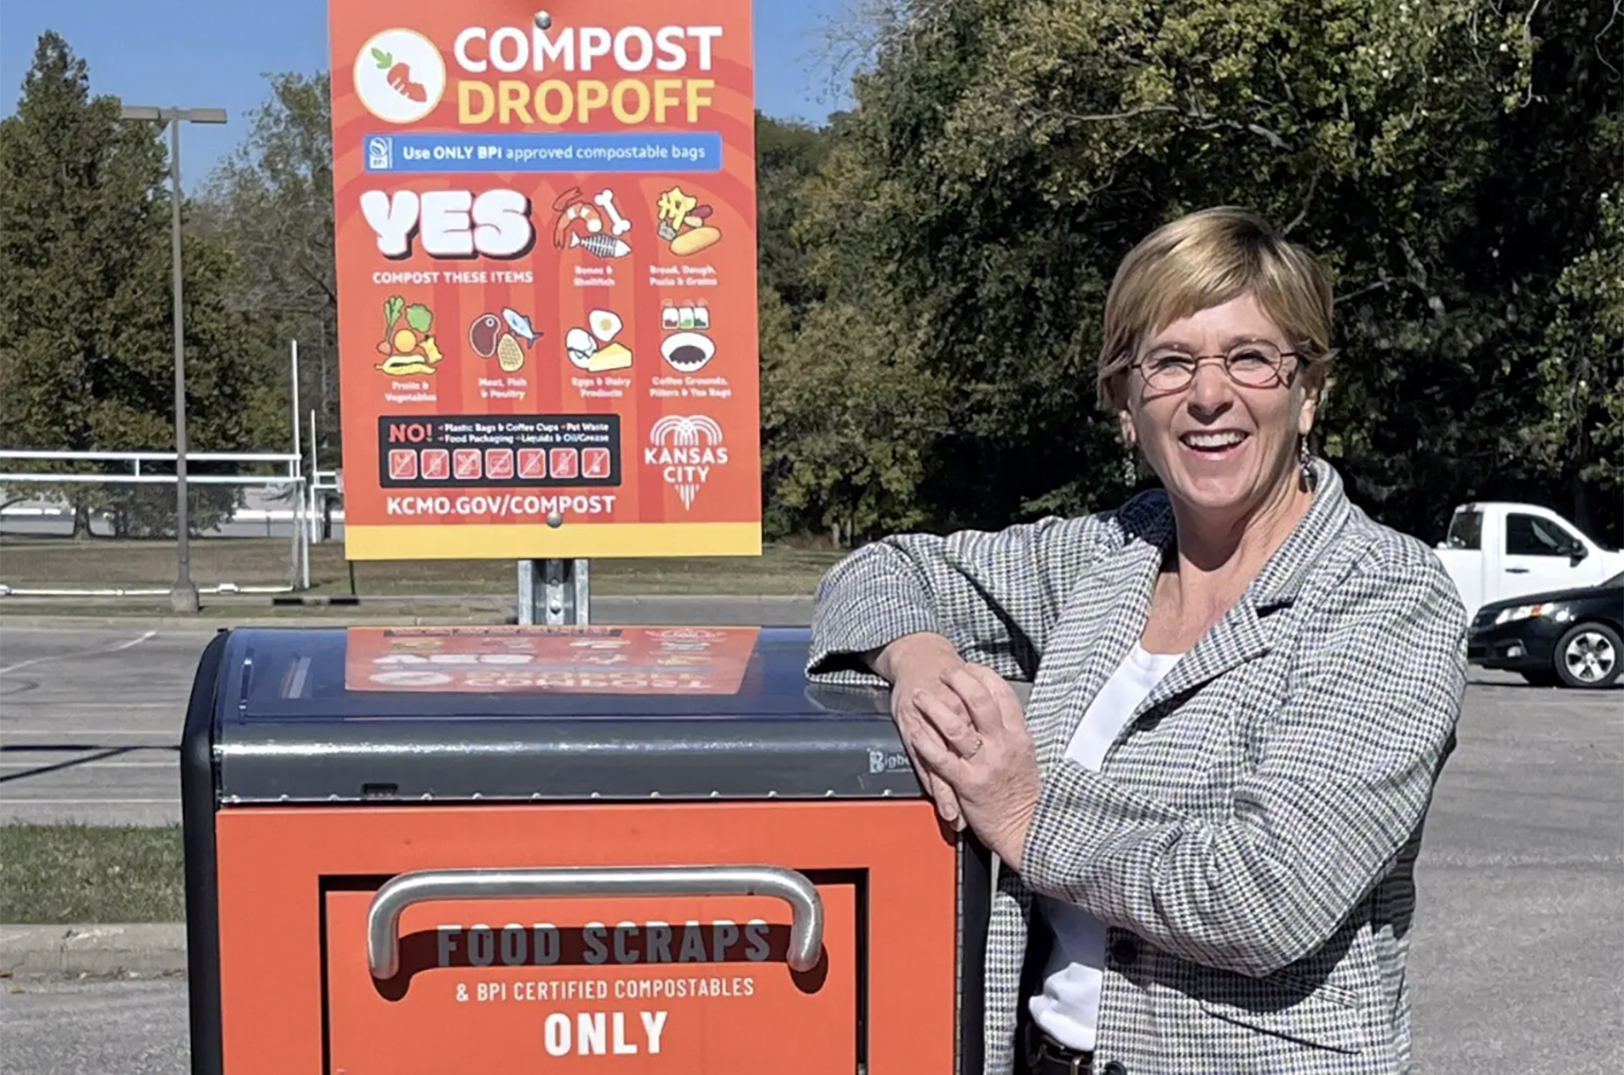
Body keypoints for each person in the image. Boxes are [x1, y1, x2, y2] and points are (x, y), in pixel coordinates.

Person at [807, 206, 1467, 1075]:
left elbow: (1268, 890)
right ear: (1125, 404)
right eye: (1169, 362)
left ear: (1309, 392)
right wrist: (920, 662)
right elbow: (879, 570)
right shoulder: (1109, 556)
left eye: (1250, 357)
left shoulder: (1386, 593)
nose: (1208, 394)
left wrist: (1026, 814)